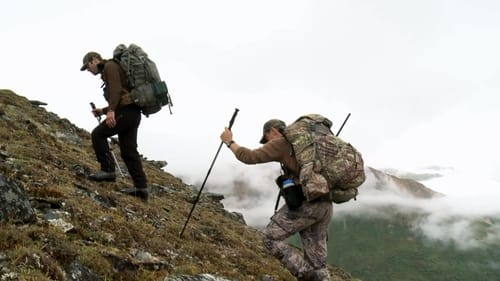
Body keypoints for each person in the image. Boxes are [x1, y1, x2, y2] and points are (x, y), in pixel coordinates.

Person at [220, 119, 333, 281]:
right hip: (325, 203)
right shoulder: (308, 143)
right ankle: (317, 276)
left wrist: (229, 141)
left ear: (273, 131)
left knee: (269, 238)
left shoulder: (282, 142)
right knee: (318, 262)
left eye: (266, 140)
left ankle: (308, 275)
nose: (267, 143)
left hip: (307, 203)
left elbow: (250, 156)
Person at [80, 51, 148, 201]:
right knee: (128, 150)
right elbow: (121, 95)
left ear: (94, 60)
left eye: (88, 66)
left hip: (126, 111)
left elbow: (116, 90)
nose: (88, 71)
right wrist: (103, 111)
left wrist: (110, 111)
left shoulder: (109, 66)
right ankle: (141, 188)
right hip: (133, 112)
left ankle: (108, 171)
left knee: (98, 134)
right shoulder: (111, 68)